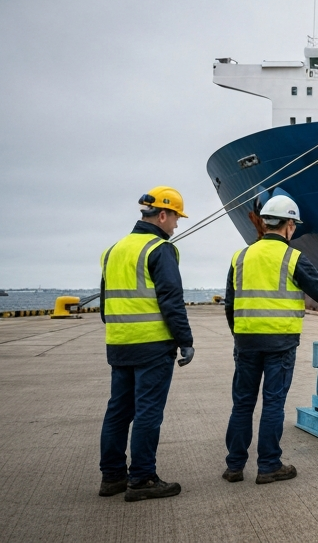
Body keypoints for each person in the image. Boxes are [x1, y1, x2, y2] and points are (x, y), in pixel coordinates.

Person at [223, 194, 318, 484]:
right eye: (293, 225)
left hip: (246, 342)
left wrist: (240, 335)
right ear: (288, 225)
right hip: (280, 344)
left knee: (242, 404)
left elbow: (229, 304)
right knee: (273, 403)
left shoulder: (240, 257)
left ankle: (234, 466)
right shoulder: (292, 257)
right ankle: (269, 466)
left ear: (263, 224)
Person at [98, 186, 195, 502]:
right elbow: (171, 300)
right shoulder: (159, 249)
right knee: (148, 413)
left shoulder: (113, 250)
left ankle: (112, 477)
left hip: (119, 343)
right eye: (176, 218)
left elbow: (104, 303)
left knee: (118, 411)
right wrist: (185, 341)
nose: (176, 225)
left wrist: (119, 332)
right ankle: (141, 479)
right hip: (153, 346)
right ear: (163, 214)